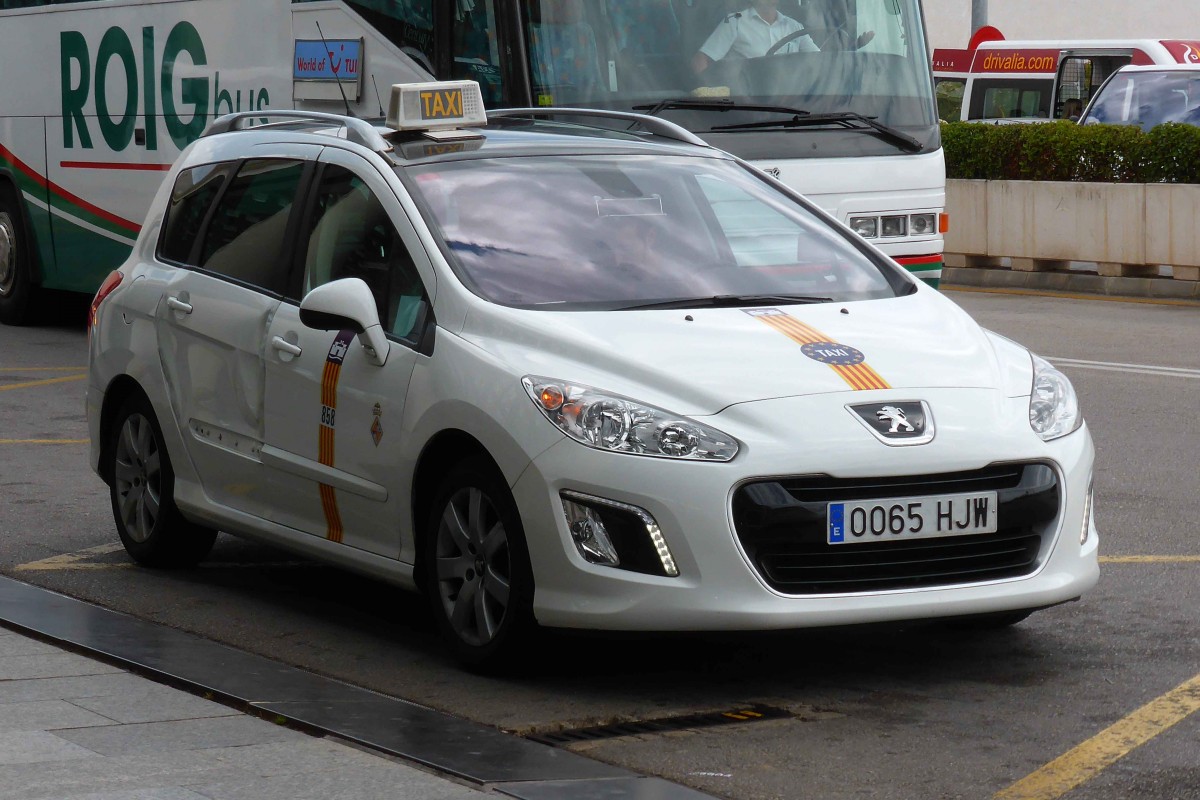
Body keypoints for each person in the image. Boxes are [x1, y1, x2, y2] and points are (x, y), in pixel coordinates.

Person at [691, 0, 873, 75]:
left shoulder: (795, 27)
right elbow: (701, 60)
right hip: (745, 103)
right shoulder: (734, 22)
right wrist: (710, 94)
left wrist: (853, 47)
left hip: (789, 103)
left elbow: (819, 60)